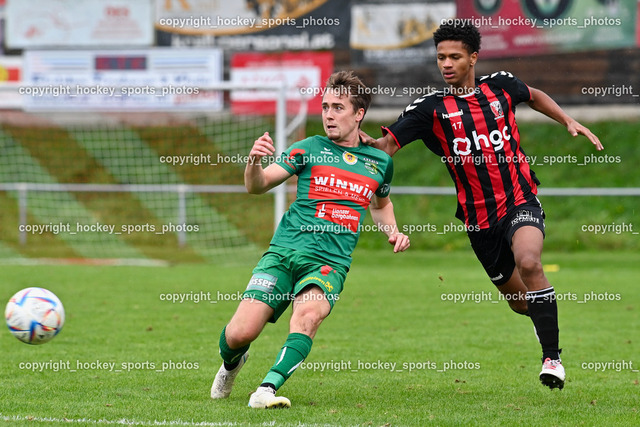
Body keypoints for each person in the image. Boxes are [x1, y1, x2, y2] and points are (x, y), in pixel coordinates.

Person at [360, 22, 603, 390]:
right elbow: (387, 147)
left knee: (530, 261)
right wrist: (355, 143)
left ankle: (552, 359)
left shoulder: (501, 86)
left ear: (473, 57)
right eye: (441, 57)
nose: (446, 63)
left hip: (520, 198)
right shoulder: (429, 110)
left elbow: (533, 94)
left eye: (455, 56)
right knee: (521, 303)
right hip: (478, 220)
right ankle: (543, 325)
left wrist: (567, 119)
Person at [211, 70, 410, 409]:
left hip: (330, 262)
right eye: (325, 106)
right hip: (284, 253)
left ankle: (266, 390)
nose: (329, 115)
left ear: (358, 114)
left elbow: (382, 204)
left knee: (307, 318)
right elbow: (257, 185)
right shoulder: (309, 148)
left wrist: (392, 231)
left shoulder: (380, 162)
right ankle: (232, 363)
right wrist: (253, 162)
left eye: (338, 107)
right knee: (239, 335)